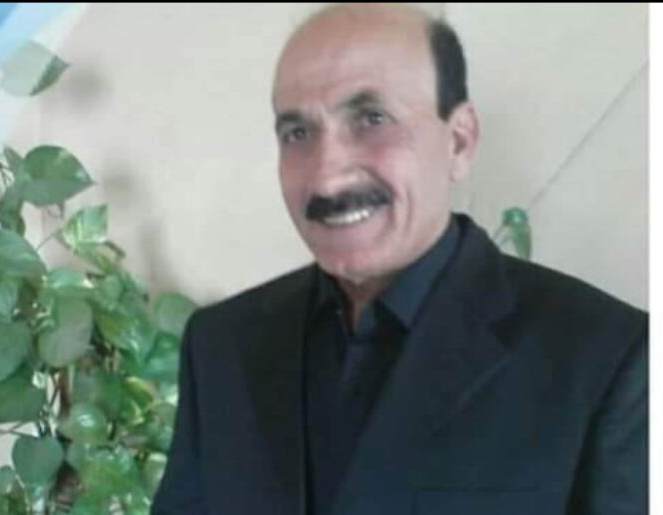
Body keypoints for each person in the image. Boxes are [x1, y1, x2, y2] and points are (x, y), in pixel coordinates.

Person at [152, 4, 648, 515]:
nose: (327, 176)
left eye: (372, 120)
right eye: (297, 133)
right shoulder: (222, 345)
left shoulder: (609, 361)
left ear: (459, 141)